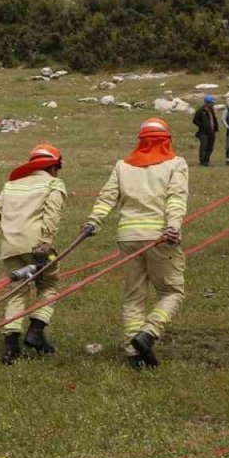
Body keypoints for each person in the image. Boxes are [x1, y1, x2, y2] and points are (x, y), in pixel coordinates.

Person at [82, 117, 188, 369]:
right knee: (172, 291)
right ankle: (149, 333)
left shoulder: (123, 166)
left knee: (134, 297)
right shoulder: (176, 164)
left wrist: (93, 221)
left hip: (128, 238)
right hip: (160, 237)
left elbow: (107, 197)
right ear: (167, 140)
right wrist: (173, 226)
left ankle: (134, 354)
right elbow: (176, 197)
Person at [0, 144, 67, 364]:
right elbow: (52, 214)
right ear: (53, 167)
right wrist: (46, 242)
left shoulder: (11, 186)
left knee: (17, 292)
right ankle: (36, 332)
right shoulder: (53, 184)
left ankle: (11, 348)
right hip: (37, 246)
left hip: (11, 248)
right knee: (49, 285)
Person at [192, 95, 219, 166]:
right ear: (207, 103)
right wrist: (202, 125)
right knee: (204, 146)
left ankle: (207, 160)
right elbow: (195, 120)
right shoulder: (200, 111)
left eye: (213, 103)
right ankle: (202, 161)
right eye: (212, 103)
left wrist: (215, 127)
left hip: (212, 132)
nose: (213, 104)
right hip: (203, 133)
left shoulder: (211, 111)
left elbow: (213, 119)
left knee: (210, 147)